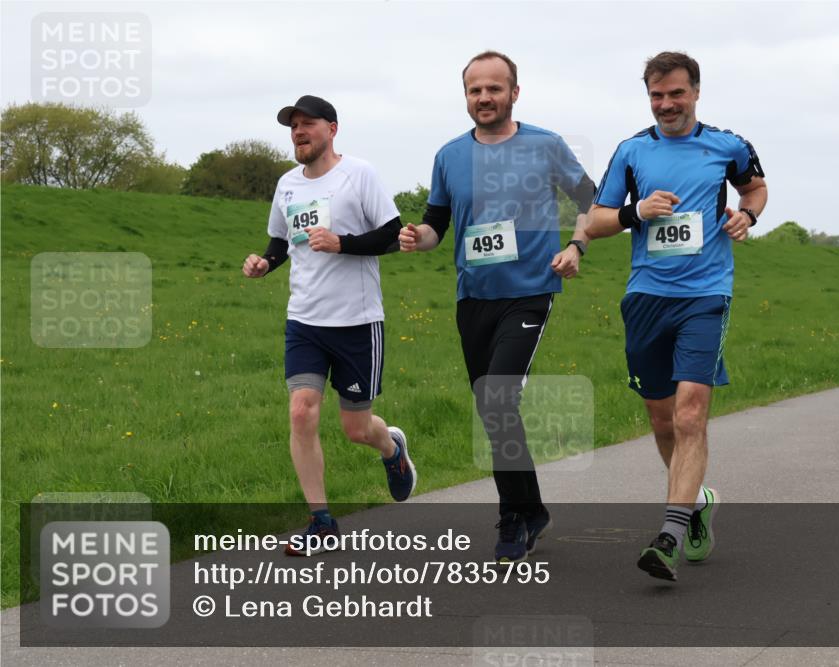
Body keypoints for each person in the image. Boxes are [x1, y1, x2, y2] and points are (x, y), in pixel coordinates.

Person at [399, 51, 595, 563]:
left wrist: (577, 246)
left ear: (514, 92)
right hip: (473, 298)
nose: (484, 98)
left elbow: (592, 196)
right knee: (493, 411)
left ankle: (512, 516)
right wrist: (414, 237)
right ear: (465, 96)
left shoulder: (546, 145)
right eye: (474, 90)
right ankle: (532, 510)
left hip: (530, 290)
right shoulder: (448, 156)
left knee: (497, 399)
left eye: (493, 88)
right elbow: (436, 226)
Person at [586, 52, 767, 580]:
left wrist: (748, 214)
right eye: (656, 96)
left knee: (690, 414)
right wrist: (632, 213)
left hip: (706, 294)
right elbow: (595, 220)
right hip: (646, 295)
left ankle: (668, 534)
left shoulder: (728, 146)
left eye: (676, 94)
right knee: (662, 418)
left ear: (696, 93)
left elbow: (754, 186)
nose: (666, 104)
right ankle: (696, 502)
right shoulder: (632, 151)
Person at [242, 95, 415, 556]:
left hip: (357, 322)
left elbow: (393, 236)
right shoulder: (287, 185)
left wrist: (343, 244)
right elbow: (283, 240)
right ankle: (320, 520)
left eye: (308, 124)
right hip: (305, 320)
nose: (299, 132)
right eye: (293, 126)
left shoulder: (359, 174)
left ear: (332, 129)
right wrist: (265, 262)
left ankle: (392, 449)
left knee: (356, 429)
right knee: (301, 412)